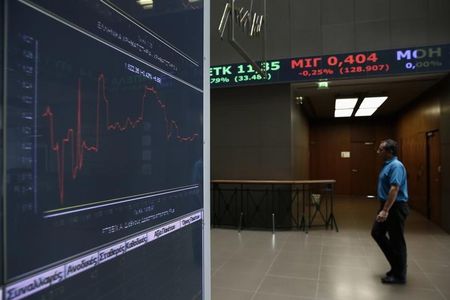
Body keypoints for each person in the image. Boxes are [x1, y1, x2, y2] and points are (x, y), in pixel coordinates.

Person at [371, 139, 409, 284]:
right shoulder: (387, 165)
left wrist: (385, 210)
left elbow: (394, 189)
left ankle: (399, 275)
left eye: (381, 150)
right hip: (386, 206)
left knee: (397, 241)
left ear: (390, 151)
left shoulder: (396, 166)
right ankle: (397, 266)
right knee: (377, 233)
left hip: (395, 207)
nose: (378, 152)